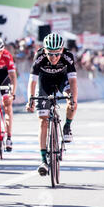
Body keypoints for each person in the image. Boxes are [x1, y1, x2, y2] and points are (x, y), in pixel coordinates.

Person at [26, 32, 78, 176]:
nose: (53, 57)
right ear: (45, 51)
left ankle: (67, 126)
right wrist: (30, 99)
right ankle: (43, 160)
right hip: (45, 83)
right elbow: (33, 80)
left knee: (72, 98)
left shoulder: (68, 57)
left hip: (63, 80)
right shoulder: (40, 56)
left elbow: (73, 81)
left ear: (62, 50)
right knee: (43, 121)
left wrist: (72, 99)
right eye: (50, 54)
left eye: (57, 54)